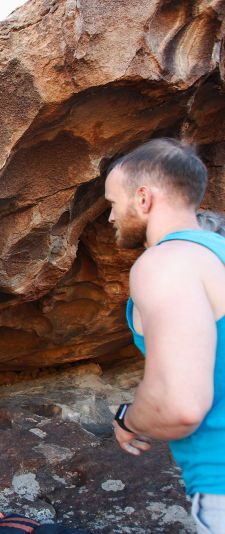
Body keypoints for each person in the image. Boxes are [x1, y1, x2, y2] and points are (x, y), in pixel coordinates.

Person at [104, 138, 225, 533]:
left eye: (112, 203)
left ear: (143, 199)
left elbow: (179, 407)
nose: (110, 217)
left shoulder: (165, 263)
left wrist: (130, 418)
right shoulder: (216, 255)